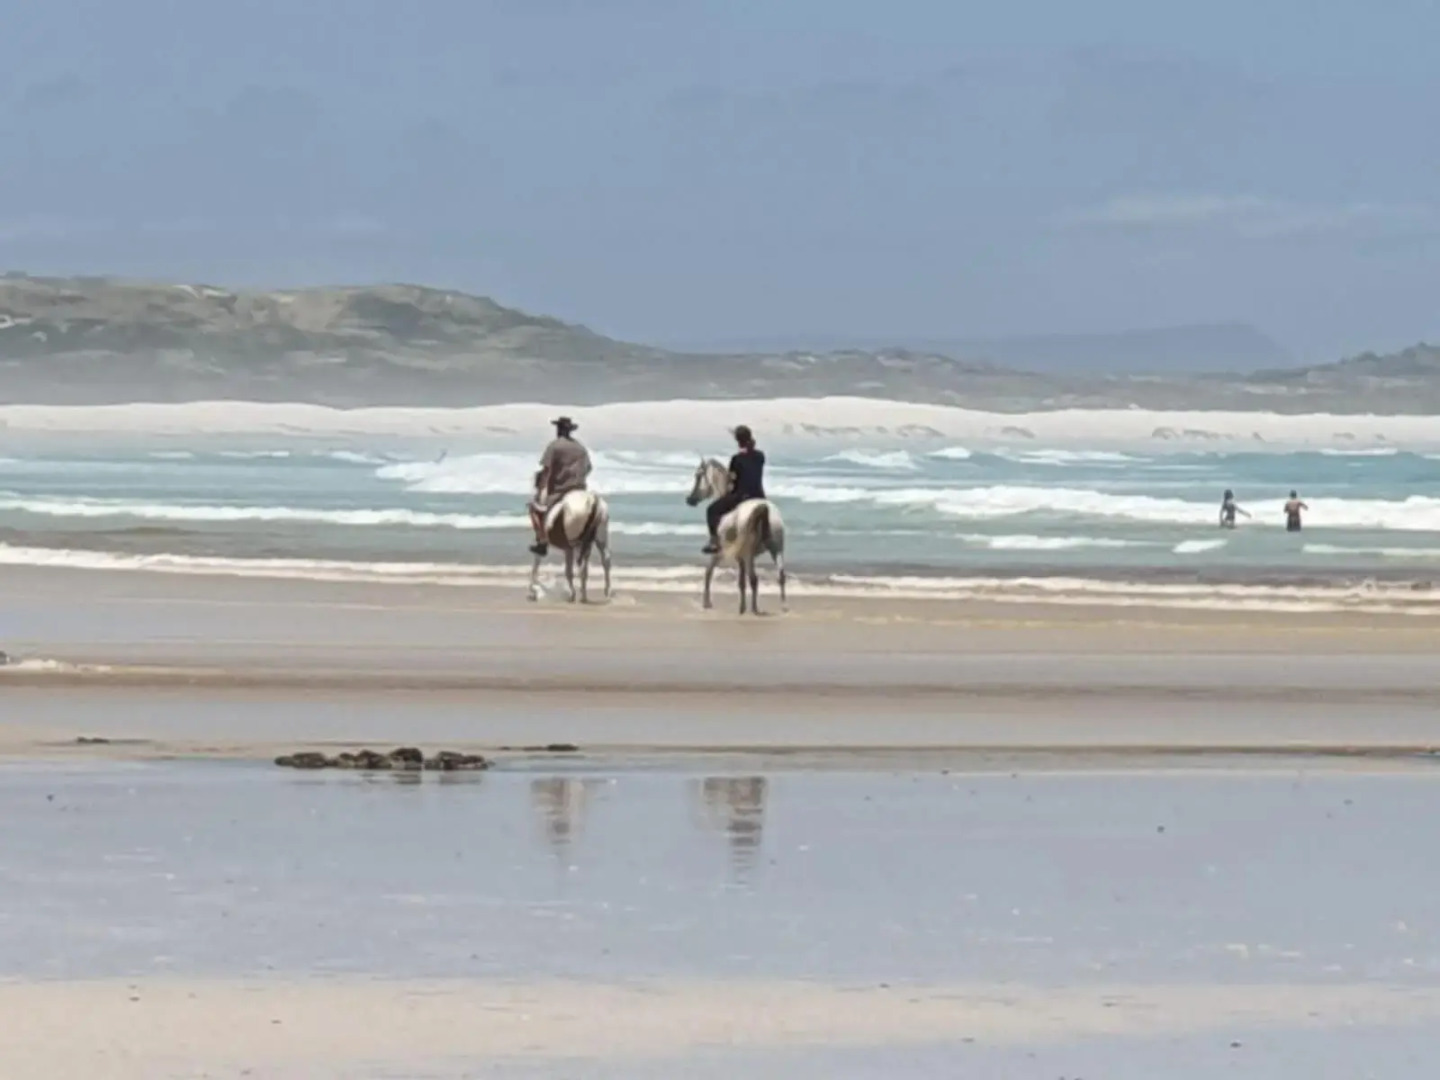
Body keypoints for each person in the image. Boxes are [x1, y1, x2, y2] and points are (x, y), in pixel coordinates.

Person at [528, 417, 592, 556]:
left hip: (560, 490)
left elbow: (546, 470)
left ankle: (542, 542)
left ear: (559, 430)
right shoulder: (581, 448)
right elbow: (588, 468)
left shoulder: (554, 446)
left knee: (535, 510)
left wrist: (541, 488)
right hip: (580, 490)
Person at [702, 425, 766, 555]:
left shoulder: (736, 459)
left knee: (711, 510)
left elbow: (732, 480)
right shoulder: (760, 456)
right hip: (759, 495)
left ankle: (715, 541)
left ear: (738, 441)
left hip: (742, 496)